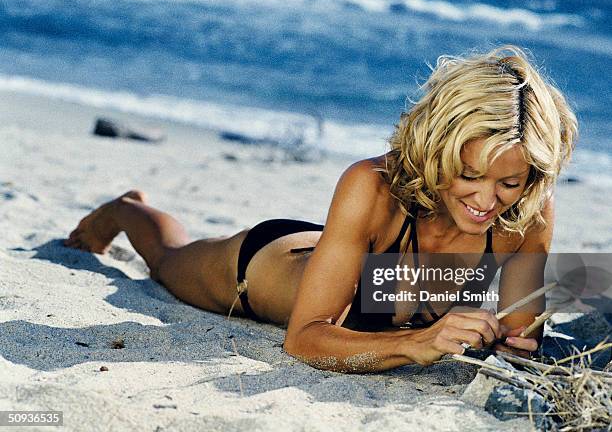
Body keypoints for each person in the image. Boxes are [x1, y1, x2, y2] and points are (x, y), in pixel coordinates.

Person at [64, 45, 577, 373]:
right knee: (167, 256)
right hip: (265, 270)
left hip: (358, 264)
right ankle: (125, 209)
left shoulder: (528, 211)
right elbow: (304, 341)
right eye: (468, 176)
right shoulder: (370, 185)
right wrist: (420, 341)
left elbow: (520, 340)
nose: (487, 201)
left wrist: (508, 339)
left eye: (509, 182)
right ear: (438, 145)